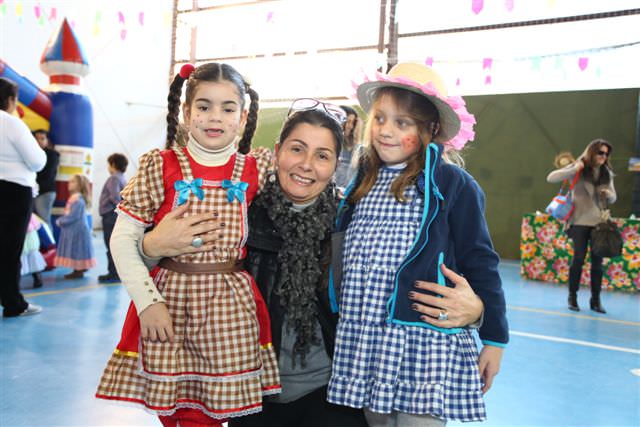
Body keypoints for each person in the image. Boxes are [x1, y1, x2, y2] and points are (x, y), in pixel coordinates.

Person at [139, 99, 487, 426]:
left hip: (332, 392)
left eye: (322, 155)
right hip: (253, 389)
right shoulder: (239, 215)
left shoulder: (353, 221)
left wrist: (476, 312)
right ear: (277, 152)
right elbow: (174, 272)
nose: (306, 165)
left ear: (336, 165)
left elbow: (405, 280)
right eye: (297, 149)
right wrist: (151, 246)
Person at [95, 62, 280, 427]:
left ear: (243, 117)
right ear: (185, 111)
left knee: (206, 415)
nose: (215, 117)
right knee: (170, 409)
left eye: (228, 108)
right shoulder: (160, 165)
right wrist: (148, 303)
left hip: (228, 312)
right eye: (204, 106)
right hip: (168, 306)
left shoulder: (255, 168)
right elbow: (123, 238)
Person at [326, 63, 509, 426]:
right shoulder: (363, 181)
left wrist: (494, 339)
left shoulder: (453, 184)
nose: (386, 131)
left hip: (422, 340)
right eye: (380, 119)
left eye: (403, 123)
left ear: (431, 129)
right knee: (375, 420)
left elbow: (481, 261)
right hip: (366, 338)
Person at [547, 139, 616, 313]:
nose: (604, 156)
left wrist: (608, 194)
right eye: (600, 152)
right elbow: (551, 177)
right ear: (592, 152)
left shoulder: (606, 172)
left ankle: (596, 300)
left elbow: (614, 197)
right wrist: (573, 169)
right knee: (578, 259)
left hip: (599, 223)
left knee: (597, 263)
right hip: (579, 222)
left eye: (606, 154)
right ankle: (573, 297)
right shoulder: (579, 167)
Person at [0, 76, 47, 317]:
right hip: (14, 191)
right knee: (10, 249)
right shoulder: (12, 123)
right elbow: (37, 160)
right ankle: (13, 302)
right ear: (10, 100)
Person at [54, 174, 96, 279]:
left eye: (73, 182)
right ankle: (79, 268)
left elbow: (73, 216)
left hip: (78, 231)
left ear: (80, 185)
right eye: (70, 181)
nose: (69, 183)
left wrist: (60, 221)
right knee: (76, 249)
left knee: (77, 250)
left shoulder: (78, 200)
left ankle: (78, 270)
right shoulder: (75, 198)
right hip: (75, 230)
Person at [97, 153, 128, 283]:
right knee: (114, 245)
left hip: (110, 215)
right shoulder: (122, 178)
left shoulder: (114, 178)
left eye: (109, 164)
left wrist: (120, 208)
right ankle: (116, 272)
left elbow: (115, 197)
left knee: (110, 245)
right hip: (114, 215)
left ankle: (113, 273)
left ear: (113, 165)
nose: (108, 167)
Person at [33, 129, 60, 228]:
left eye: (42, 138)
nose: (39, 141)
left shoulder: (52, 155)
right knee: (35, 221)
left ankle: (49, 238)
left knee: (44, 220)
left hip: (45, 191)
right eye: (36, 139)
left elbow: (48, 174)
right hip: (36, 191)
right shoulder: (32, 153)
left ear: (47, 141)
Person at [334, 105, 362, 190]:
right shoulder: (332, 144)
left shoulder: (355, 148)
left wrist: (357, 136)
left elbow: (353, 174)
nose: (351, 126)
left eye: (353, 123)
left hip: (345, 192)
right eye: (348, 122)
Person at [21, 213, 47, 288]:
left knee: (21, 260)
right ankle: (38, 279)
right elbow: (37, 225)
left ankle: (37, 279)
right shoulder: (30, 213)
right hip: (31, 238)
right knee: (33, 260)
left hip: (25, 237)